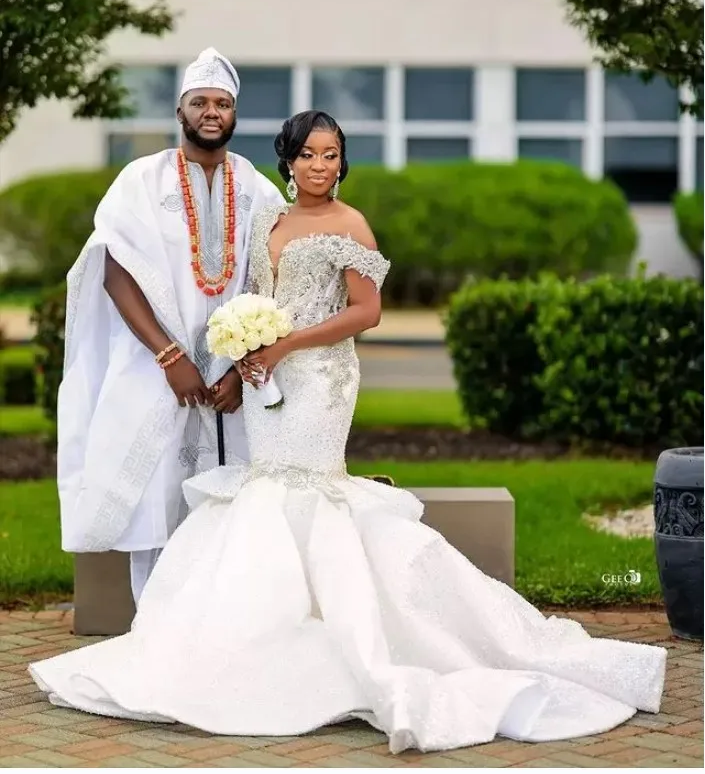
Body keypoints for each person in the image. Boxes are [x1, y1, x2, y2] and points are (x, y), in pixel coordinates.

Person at [30, 111, 667, 754]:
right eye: (307, 154)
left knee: (309, 491)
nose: (320, 166)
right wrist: (246, 352)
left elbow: (367, 311)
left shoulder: (349, 223)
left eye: (331, 155)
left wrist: (285, 347)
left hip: (322, 382)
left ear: (342, 162)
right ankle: (274, 642)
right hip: (264, 382)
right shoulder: (266, 221)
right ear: (288, 160)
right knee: (266, 491)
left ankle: (364, 641)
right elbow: (255, 296)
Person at [55, 47, 284, 602]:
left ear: (234, 115)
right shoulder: (141, 178)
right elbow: (114, 270)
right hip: (155, 372)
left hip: (233, 384)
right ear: (180, 111)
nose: (212, 112)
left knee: (231, 511)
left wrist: (240, 368)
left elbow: (272, 282)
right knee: (154, 505)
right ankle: (153, 643)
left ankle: (218, 643)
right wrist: (170, 357)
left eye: (222, 103)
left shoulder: (256, 187)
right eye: (200, 102)